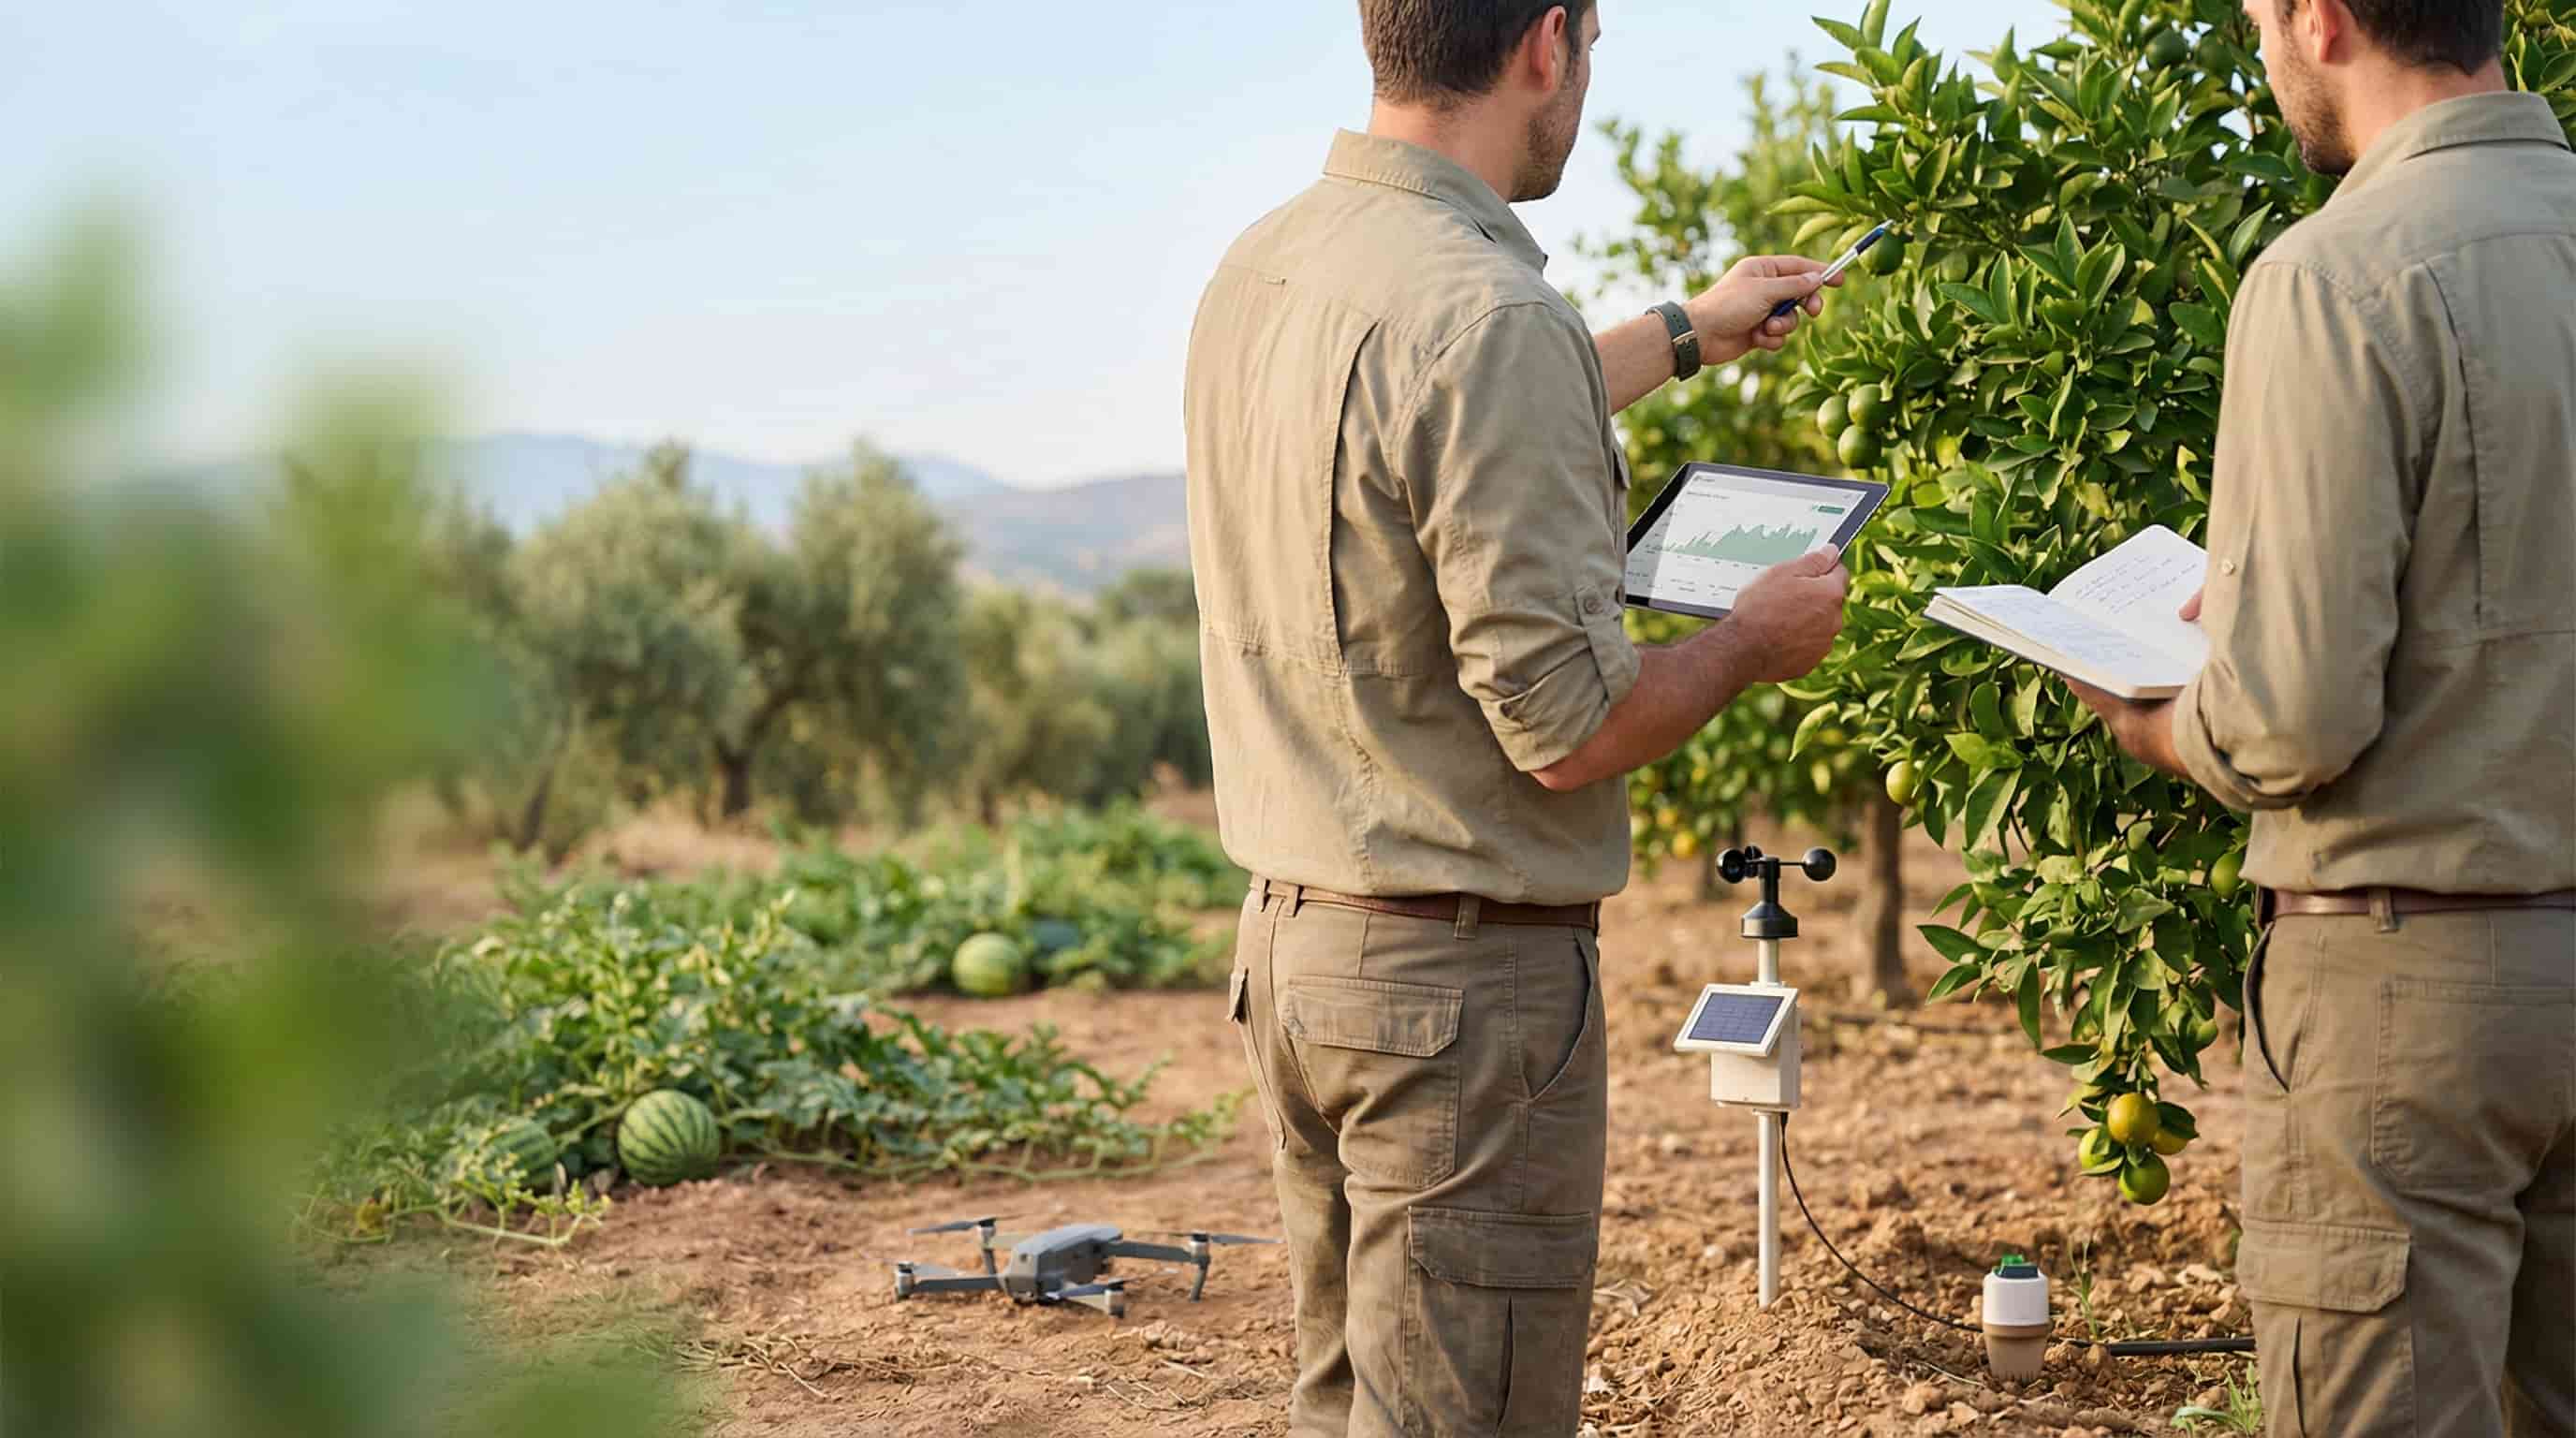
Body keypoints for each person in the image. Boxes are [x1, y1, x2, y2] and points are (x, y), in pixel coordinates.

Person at [1179, 3, 1852, 1432]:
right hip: (1457, 1004)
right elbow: (1565, 730)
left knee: (1348, 1403)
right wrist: (1750, 642)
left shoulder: (1270, 265)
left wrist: (1685, 332)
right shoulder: (1486, 310)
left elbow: (1435, 419)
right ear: (1548, 42)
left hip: (1299, 954)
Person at [2067, 1, 2575, 1433]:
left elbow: (2292, 718)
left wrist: (2161, 720)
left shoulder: (2338, 274)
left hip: (2416, 987)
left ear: (2321, 18)